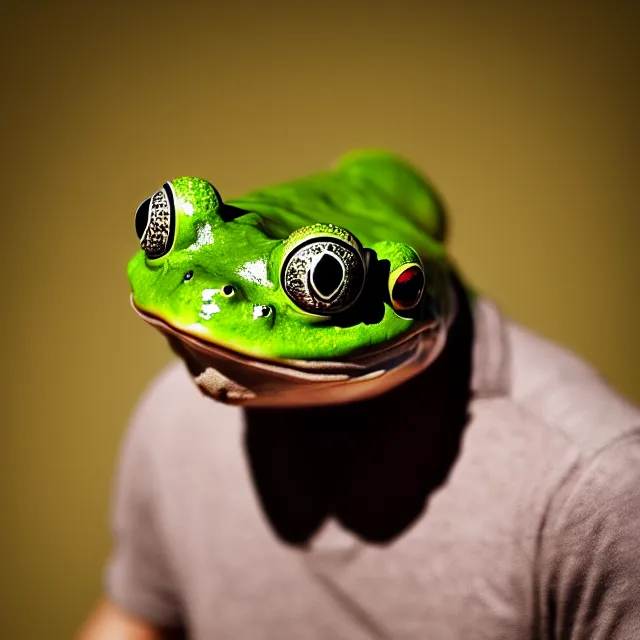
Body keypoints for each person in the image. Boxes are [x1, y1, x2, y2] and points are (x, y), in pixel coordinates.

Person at [78, 161, 640, 639]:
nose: (206, 298)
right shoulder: (175, 414)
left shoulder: (592, 486)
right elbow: (135, 619)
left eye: (321, 277)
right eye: (162, 227)